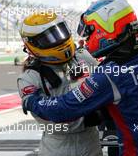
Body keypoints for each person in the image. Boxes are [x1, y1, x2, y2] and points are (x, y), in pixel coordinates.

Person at [22, 0, 138, 156]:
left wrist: (32, 101)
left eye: (90, 32)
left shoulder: (110, 74)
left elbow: (64, 108)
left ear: (106, 29)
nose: (87, 38)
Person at [17, 12, 102, 156]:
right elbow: (51, 117)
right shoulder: (30, 78)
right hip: (58, 147)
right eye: (48, 38)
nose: (58, 40)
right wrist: (92, 113)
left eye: (59, 32)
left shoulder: (83, 56)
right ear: (32, 44)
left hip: (91, 142)